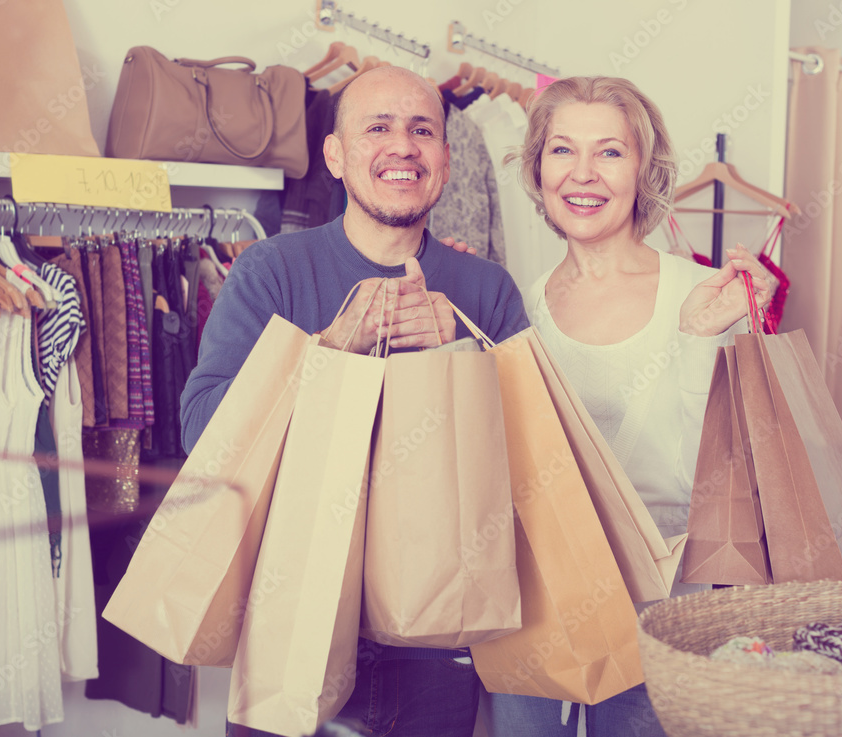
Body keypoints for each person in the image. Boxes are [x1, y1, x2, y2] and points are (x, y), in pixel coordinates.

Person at [179, 65, 529, 737]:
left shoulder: (487, 292)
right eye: (377, 127)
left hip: (438, 641)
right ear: (335, 157)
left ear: (446, 161)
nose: (402, 146)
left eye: (421, 130)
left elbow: (536, 465)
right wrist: (328, 348)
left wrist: (466, 359)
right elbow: (204, 434)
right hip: (292, 620)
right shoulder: (270, 271)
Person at [475, 76, 771, 736]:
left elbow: (728, 479)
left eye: (609, 152)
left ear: (644, 168)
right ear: (537, 167)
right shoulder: (520, 305)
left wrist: (700, 341)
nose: (583, 174)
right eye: (562, 150)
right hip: (540, 595)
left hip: (669, 609)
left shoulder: (703, 292)